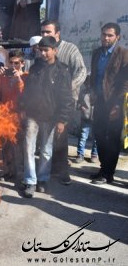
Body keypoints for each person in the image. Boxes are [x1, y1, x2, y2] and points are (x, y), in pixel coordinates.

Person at [19, 36, 73, 198]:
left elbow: (66, 97)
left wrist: (62, 120)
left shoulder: (62, 71)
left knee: (46, 150)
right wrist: (22, 108)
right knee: (28, 147)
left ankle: (42, 179)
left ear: (54, 50)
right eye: (40, 50)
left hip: (51, 117)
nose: (42, 53)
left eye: (46, 50)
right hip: (32, 115)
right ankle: (30, 181)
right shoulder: (36, 68)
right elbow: (27, 90)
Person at [40, 20, 87, 184]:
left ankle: (63, 171)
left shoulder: (70, 49)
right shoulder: (41, 48)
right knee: (46, 137)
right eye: (43, 32)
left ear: (57, 33)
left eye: (48, 32)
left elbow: (82, 71)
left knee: (61, 136)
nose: (45, 35)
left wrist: (67, 88)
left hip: (64, 103)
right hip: (45, 103)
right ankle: (50, 168)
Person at [90, 22, 128, 184]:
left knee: (112, 138)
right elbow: (94, 75)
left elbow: (126, 82)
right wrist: (91, 92)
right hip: (99, 102)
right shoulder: (97, 53)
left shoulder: (123, 54)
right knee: (98, 135)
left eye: (110, 35)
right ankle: (103, 168)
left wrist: (118, 105)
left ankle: (108, 174)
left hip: (114, 104)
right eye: (104, 34)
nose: (106, 38)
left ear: (117, 37)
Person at [0, 50, 27, 181]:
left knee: (20, 146)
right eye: (10, 63)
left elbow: (27, 95)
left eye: (16, 63)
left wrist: (18, 79)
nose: (13, 66)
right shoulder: (4, 78)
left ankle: (21, 173)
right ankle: (7, 171)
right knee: (6, 146)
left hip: (19, 115)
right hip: (5, 115)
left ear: (22, 63)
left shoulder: (26, 77)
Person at [74, 75, 98, 163]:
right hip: (85, 117)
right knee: (83, 136)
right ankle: (80, 154)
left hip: (96, 118)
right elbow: (78, 103)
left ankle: (94, 154)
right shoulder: (83, 92)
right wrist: (81, 107)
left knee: (96, 138)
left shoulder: (98, 93)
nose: (88, 84)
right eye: (87, 82)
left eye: (90, 82)